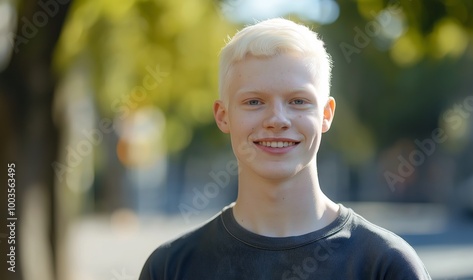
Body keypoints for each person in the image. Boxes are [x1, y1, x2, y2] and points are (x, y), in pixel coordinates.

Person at [139, 18, 431, 280]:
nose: (277, 120)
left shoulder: (386, 266)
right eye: (254, 102)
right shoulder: (170, 267)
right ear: (223, 115)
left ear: (326, 114)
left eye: (298, 101)